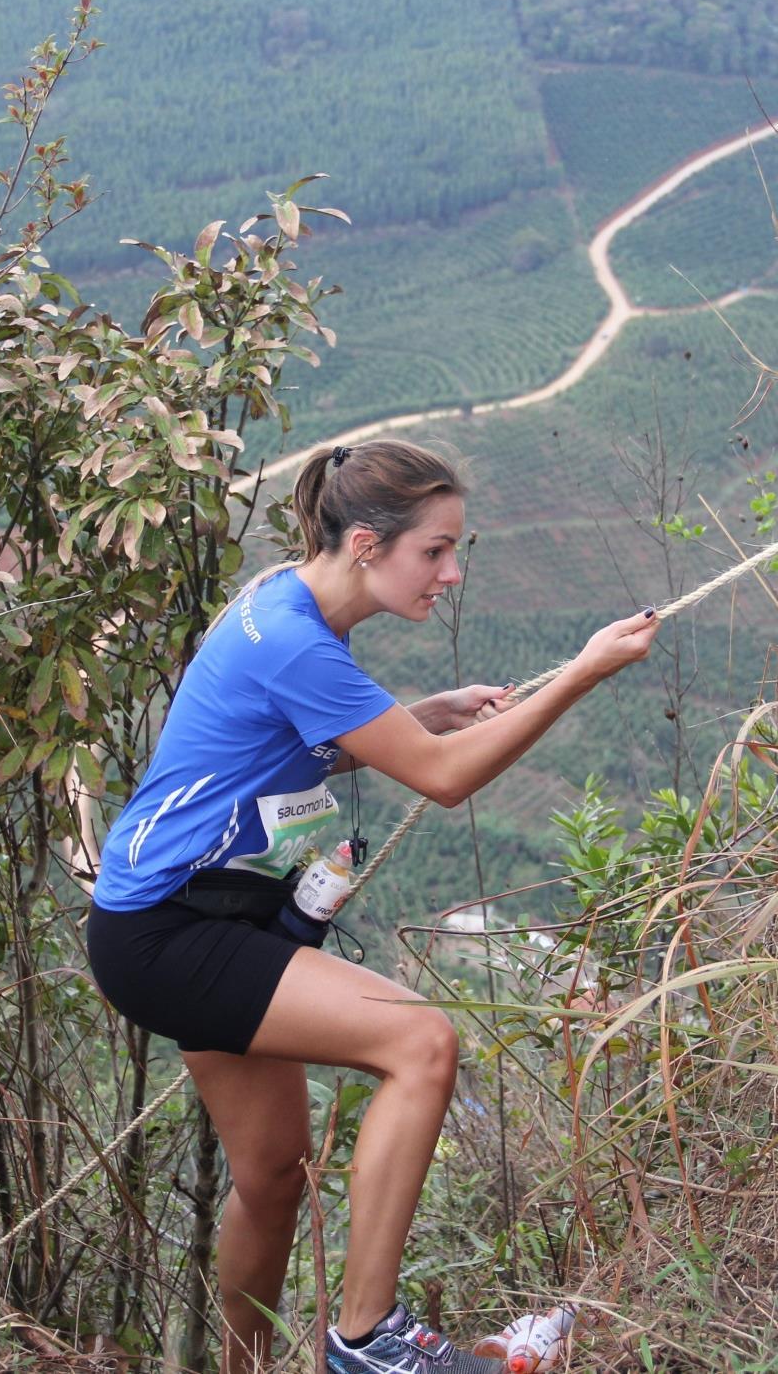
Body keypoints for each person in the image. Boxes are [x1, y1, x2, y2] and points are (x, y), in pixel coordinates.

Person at [88, 438, 658, 1374]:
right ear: (364, 542)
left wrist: (415, 712)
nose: (452, 571)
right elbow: (441, 782)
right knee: (422, 1041)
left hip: (197, 912)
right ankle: (365, 1340)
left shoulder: (292, 600)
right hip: (169, 929)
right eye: (434, 550)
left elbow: (281, 740)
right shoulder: (301, 640)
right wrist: (582, 671)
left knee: (272, 1175)